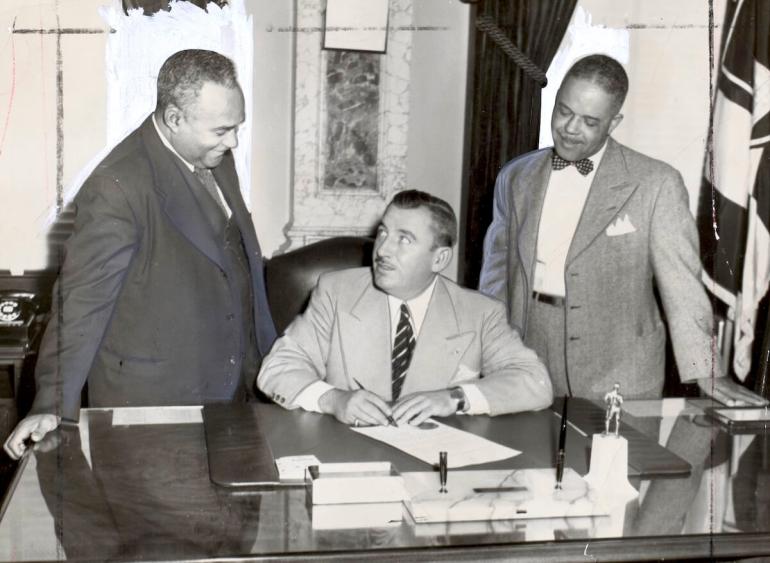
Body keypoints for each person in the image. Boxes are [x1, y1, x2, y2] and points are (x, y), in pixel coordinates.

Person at [4, 49, 277, 459]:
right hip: (156, 414)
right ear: (174, 119)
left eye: (236, 127)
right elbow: (80, 305)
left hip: (234, 396)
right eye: (222, 130)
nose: (233, 141)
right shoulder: (117, 186)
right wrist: (52, 405)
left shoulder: (215, 156)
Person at [479, 54, 764, 405]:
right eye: (564, 111)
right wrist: (485, 348)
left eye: (589, 121)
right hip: (526, 358)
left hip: (620, 370)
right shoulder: (516, 176)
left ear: (614, 122)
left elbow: (682, 283)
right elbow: (496, 272)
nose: (570, 128)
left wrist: (707, 370)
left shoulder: (655, 183)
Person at [257, 190, 552, 426]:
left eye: (404, 240)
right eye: (383, 233)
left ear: (439, 259)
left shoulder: (479, 312)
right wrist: (334, 400)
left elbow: (535, 382)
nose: (382, 249)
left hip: (435, 470)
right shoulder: (336, 293)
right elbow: (276, 369)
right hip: (350, 458)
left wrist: (455, 398)